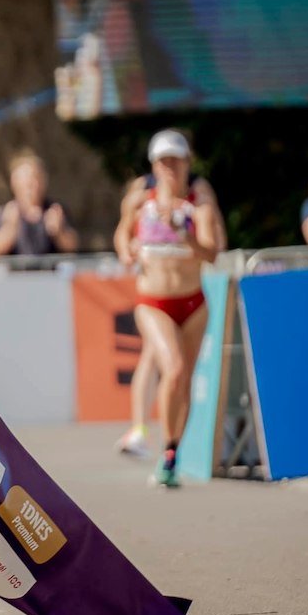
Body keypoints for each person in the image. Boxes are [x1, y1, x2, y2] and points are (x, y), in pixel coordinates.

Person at [113, 130, 223, 487]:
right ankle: (146, 431)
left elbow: (212, 252)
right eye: (164, 161)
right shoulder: (139, 199)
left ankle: (171, 453)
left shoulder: (198, 201)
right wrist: (126, 250)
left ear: (187, 163)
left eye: (176, 160)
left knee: (184, 378)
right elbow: (122, 233)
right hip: (153, 301)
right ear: (154, 165)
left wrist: (184, 232)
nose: (170, 168)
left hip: (193, 302)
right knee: (172, 368)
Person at [0, 152, 79, 257]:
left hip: (50, 271)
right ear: (15, 183)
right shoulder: (6, 212)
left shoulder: (55, 210)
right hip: (17, 272)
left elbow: (72, 247)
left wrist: (59, 232)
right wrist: (9, 229)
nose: (34, 186)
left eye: (38, 179)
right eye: (28, 182)